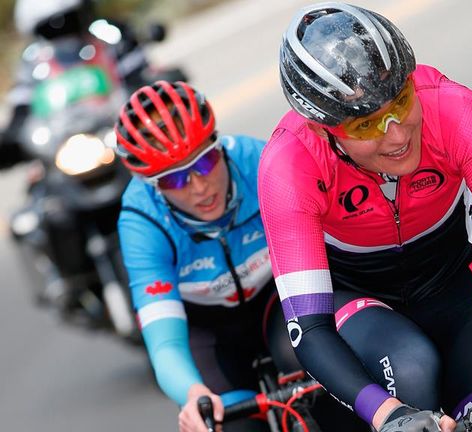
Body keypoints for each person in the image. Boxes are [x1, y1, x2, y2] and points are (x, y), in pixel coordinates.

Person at [258, 3, 472, 432]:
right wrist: (388, 414)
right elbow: (310, 328)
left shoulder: (454, 109)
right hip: (358, 302)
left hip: (460, 285)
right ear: (323, 128)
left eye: (401, 101)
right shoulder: (289, 165)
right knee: (410, 367)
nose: (396, 133)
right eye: (366, 125)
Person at [114, 80, 322, 432]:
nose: (199, 186)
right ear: (153, 186)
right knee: (226, 423)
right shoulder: (142, 222)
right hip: (209, 332)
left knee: (317, 373)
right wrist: (192, 393)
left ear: (218, 144)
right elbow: (164, 340)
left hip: (279, 301)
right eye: (174, 180)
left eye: (206, 162)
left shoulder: (260, 162)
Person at [0, 0, 151, 168]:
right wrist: (10, 140)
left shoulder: (109, 39)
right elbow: (21, 109)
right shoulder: (33, 64)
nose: (63, 31)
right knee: (38, 186)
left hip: (118, 138)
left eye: (69, 20)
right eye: (51, 27)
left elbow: (139, 78)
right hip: (61, 149)